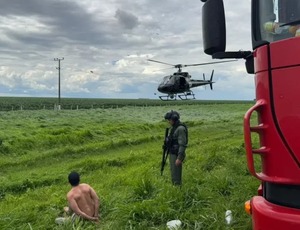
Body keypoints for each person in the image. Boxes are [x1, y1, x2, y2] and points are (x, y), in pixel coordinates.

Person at [164, 110, 188, 185]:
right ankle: (175, 187)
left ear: (174, 119)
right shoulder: (174, 128)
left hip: (176, 154)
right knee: (173, 172)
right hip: (172, 153)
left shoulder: (180, 129)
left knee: (176, 174)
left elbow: (182, 144)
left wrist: (179, 158)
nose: (168, 122)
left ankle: (177, 190)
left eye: (169, 120)